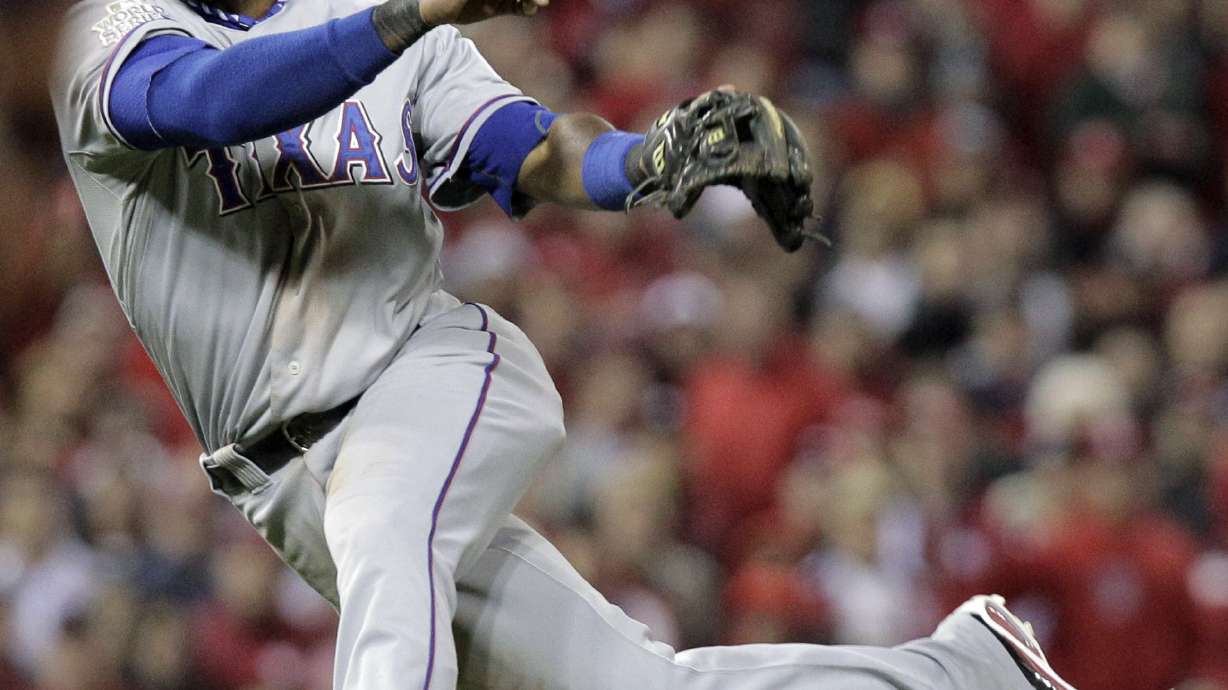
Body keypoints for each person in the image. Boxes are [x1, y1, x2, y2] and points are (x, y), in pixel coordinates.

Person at [49, 0, 1077, 688]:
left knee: (386, 528)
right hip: (281, 479)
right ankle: (966, 671)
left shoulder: (386, 24)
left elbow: (531, 147)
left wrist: (645, 160)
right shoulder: (112, 29)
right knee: (631, 683)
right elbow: (210, 102)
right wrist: (414, 10)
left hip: (426, 376)